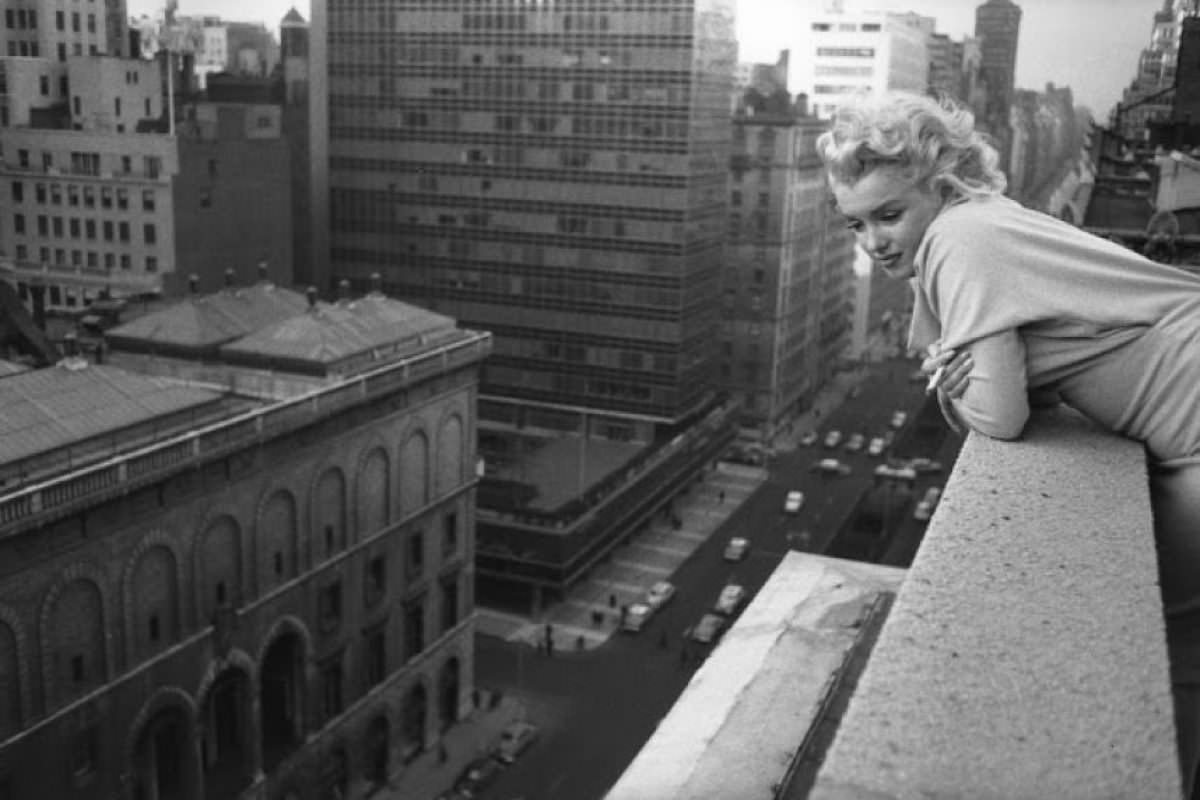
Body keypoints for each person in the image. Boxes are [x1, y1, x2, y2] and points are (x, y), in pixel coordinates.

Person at [816, 90, 1200, 792]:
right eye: (855, 224)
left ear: (940, 187)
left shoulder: (961, 242)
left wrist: (955, 378)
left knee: (1173, 659)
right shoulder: (977, 225)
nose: (872, 241)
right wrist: (968, 377)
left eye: (889, 214)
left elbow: (1000, 416)